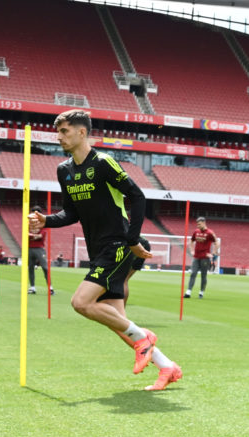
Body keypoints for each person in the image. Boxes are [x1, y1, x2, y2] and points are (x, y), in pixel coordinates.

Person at [28, 110, 183, 391]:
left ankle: (143, 338)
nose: (59, 137)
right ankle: (166, 367)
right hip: (98, 249)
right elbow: (71, 213)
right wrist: (46, 220)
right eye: (58, 132)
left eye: (64, 131)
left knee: (81, 303)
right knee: (117, 320)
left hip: (118, 245)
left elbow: (137, 196)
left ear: (82, 132)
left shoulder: (103, 163)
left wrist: (133, 238)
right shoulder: (65, 170)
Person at [184, 216, 218, 299]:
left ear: (204, 223)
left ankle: (201, 292)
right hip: (196, 257)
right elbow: (191, 241)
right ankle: (188, 292)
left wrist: (213, 253)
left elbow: (216, 242)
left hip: (205, 258)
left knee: (203, 275)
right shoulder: (196, 232)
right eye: (197, 224)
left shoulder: (210, 233)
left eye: (199, 224)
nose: (197, 226)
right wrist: (192, 250)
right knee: (193, 273)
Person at [26, 219, 54, 295]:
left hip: (39, 249)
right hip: (29, 248)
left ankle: (50, 288)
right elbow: (25, 235)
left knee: (45, 268)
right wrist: (35, 236)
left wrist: (31, 236)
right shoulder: (28, 226)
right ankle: (32, 287)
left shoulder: (42, 226)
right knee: (30, 268)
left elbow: (41, 236)